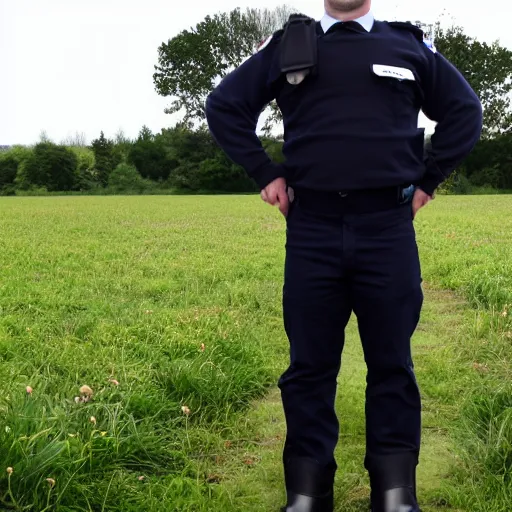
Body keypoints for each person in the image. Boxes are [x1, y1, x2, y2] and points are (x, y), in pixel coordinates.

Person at [205, 1, 483, 511]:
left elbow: (466, 110)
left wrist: (429, 179)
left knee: (392, 365)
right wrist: (264, 172)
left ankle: (395, 493)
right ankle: (307, 494)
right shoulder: (291, 44)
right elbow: (224, 105)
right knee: (309, 367)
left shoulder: (408, 45)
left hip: (387, 228)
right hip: (312, 230)